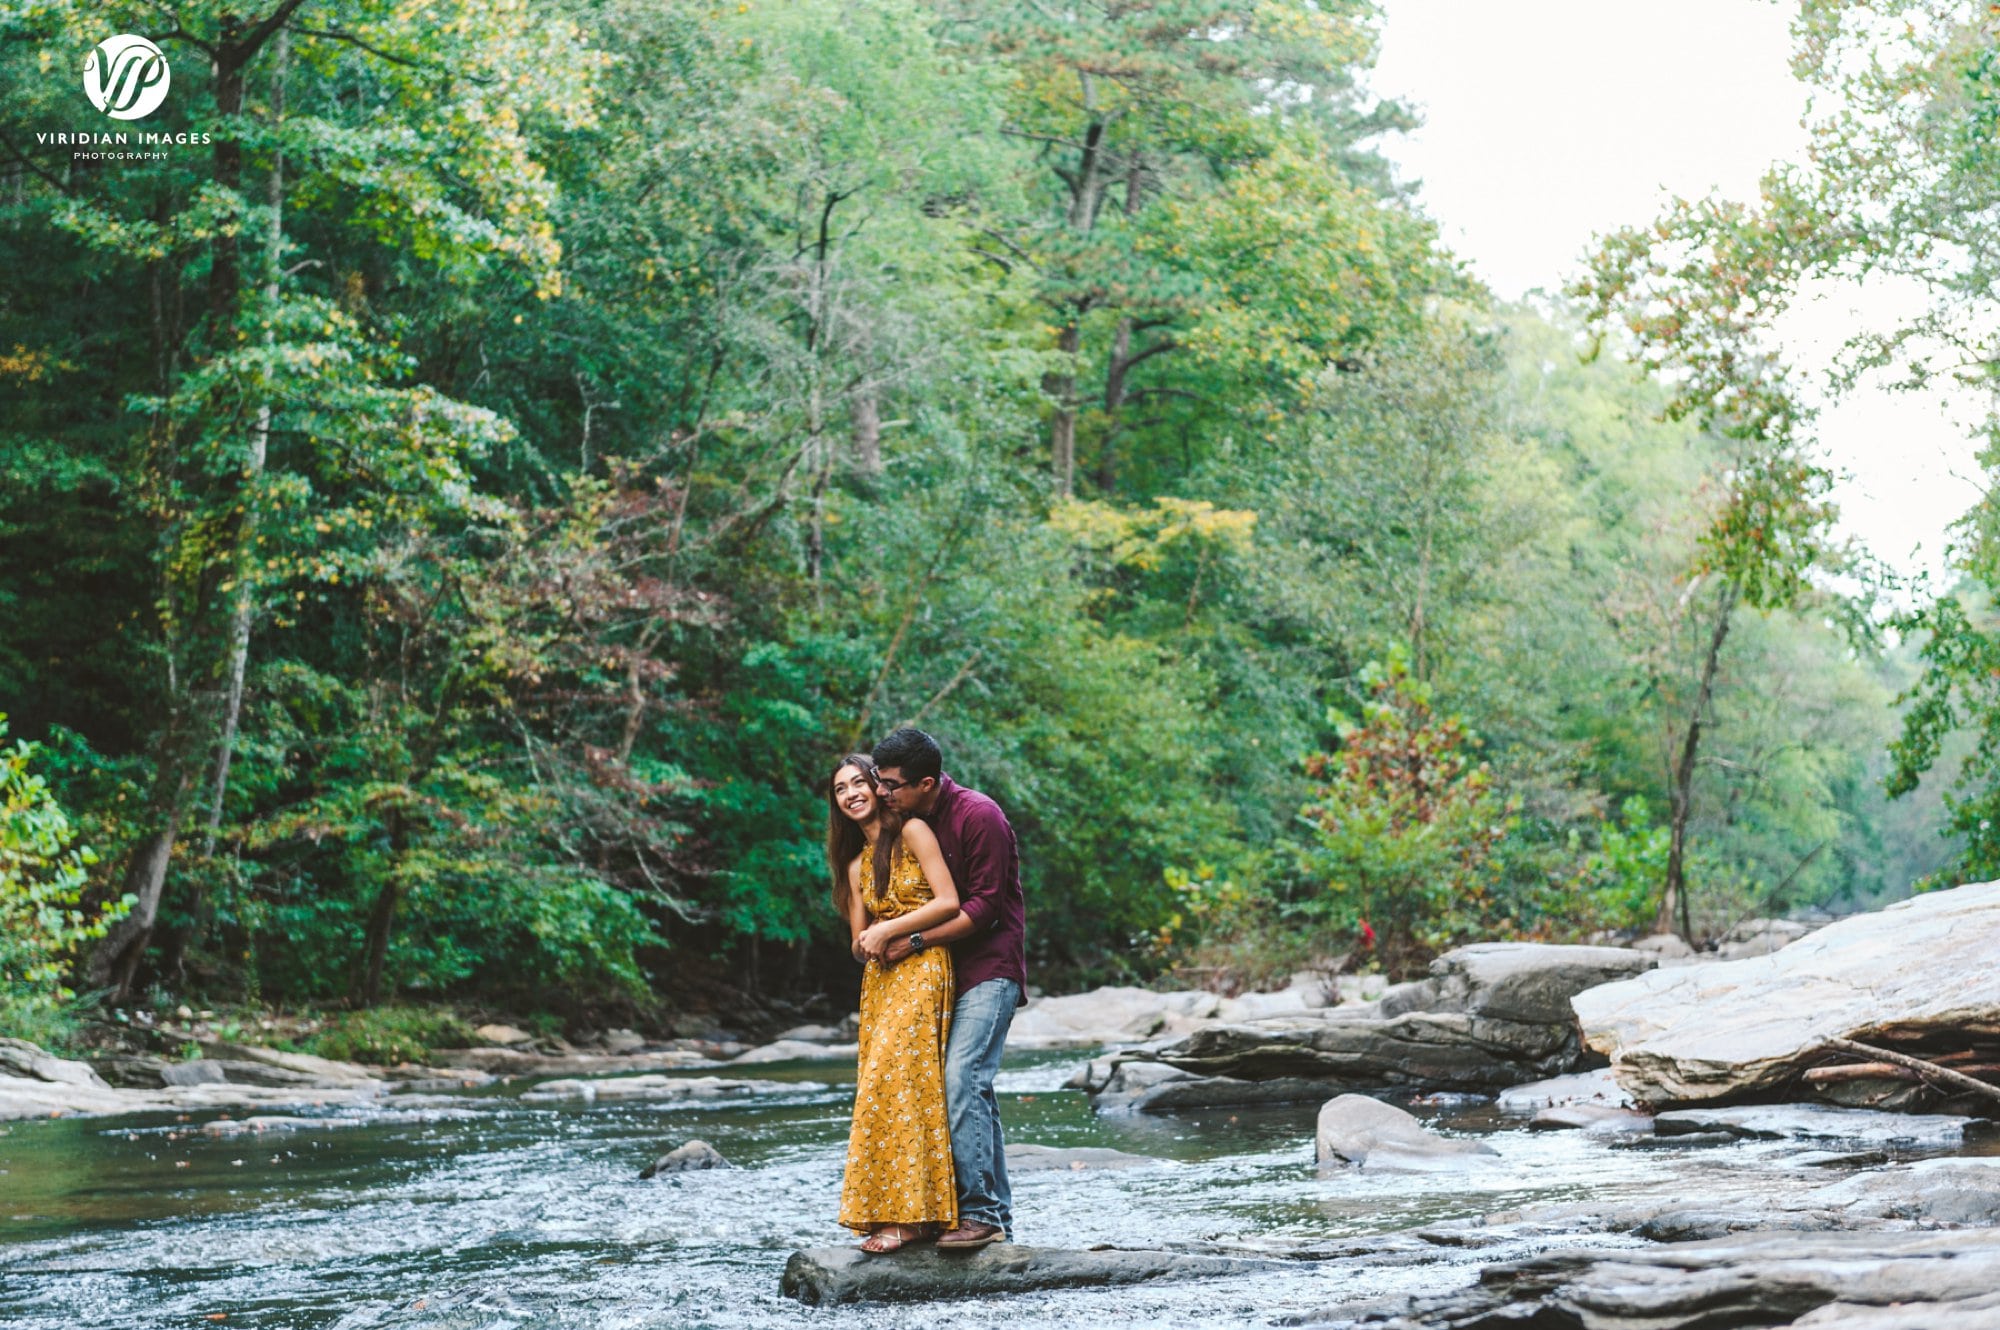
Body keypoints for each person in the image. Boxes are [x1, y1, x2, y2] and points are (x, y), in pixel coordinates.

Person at [869, 727, 1026, 1250]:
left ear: (927, 783)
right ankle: (992, 1215)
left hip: (989, 971)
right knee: (962, 1089)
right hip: (935, 981)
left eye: (890, 785)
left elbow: (983, 910)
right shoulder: (906, 822)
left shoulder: (979, 815)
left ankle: (979, 1216)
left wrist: (912, 939)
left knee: (963, 1078)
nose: (881, 792)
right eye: (879, 780)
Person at [825, 752, 964, 1253]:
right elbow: (859, 943)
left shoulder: (914, 832)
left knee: (910, 1085)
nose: (851, 794)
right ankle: (888, 1212)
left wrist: (891, 928)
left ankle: (917, 1217)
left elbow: (948, 901)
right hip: (882, 982)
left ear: (878, 787)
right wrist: (868, 939)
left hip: (924, 967)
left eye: (859, 782)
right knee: (879, 1091)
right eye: (841, 789)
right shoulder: (856, 863)